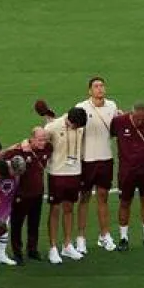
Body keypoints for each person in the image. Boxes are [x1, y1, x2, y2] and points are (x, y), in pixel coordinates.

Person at [110, 103, 144, 250]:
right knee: (125, 202)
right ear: (131, 114)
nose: (140, 121)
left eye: (143, 118)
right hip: (127, 171)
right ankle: (123, 238)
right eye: (137, 118)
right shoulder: (120, 121)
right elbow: (109, 132)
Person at [77, 76, 120, 254]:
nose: (100, 89)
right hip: (87, 159)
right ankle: (80, 238)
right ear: (90, 91)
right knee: (84, 198)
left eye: (102, 85)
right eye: (96, 86)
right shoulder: (81, 107)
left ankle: (105, 235)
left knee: (103, 196)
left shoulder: (112, 106)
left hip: (105, 158)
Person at [43, 106, 88, 263]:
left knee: (69, 208)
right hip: (57, 173)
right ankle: (53, 248)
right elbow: (40, 140)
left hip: (75, 173)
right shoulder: (53, 126)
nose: (77, 128)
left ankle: (67, 245)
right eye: (75, 125)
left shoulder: (80, 126)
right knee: (55, 209)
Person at [1, 126, 49, 261]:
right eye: (39, 140)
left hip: (38, 194)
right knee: (17, 224)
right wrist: (19, 146)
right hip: (21, 195)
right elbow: (3, 156)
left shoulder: (46, 148)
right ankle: (17, 252)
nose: (42, 143)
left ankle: (32, 249)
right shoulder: (19, 150)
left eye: (44, 139)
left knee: (34, 223)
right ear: (32, 139)